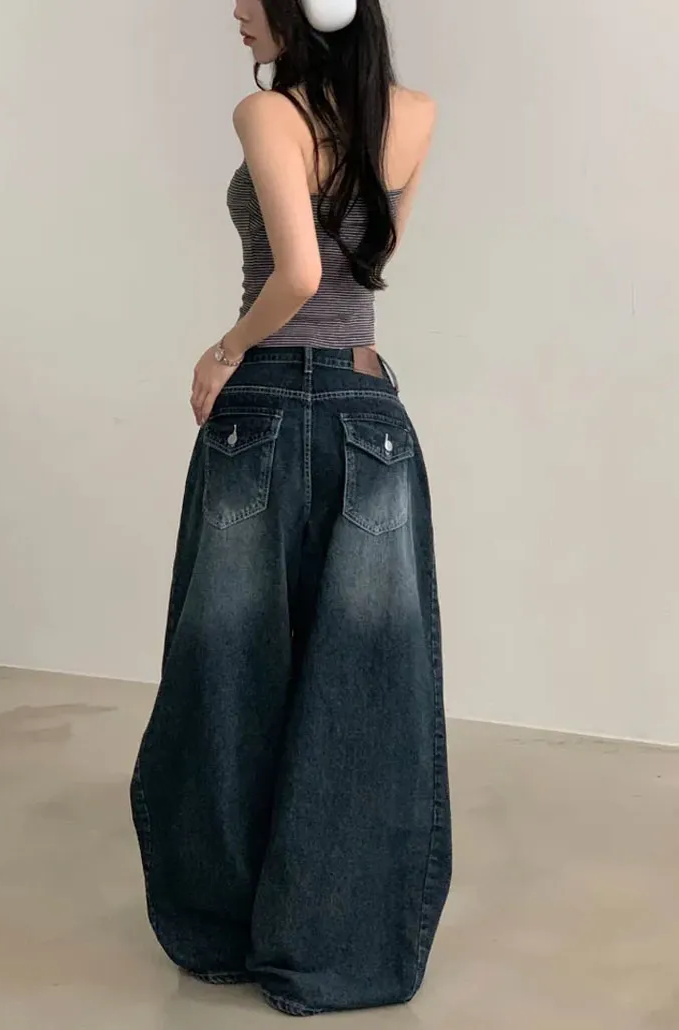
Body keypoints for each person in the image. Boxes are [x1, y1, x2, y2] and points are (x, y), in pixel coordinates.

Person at [130, 0, 451, 1016]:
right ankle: (336, 941)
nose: (235, 10)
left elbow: (301, 272)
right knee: (365, 679)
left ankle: (224, 925)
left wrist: (224, 348)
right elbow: (371, 268)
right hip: (370, 411)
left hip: (263, 408)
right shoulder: (413, 114)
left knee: (228, 669)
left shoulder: (267, 113)